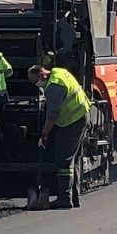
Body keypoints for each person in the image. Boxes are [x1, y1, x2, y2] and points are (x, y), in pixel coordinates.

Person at [30, 61, 92, 208]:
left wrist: (44, 134)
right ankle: (74, 198)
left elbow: (52, 115)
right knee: (74, 159)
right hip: (81, 116)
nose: (35, 84)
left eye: (35, 81)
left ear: (42, 74)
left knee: (63, 159)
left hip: (74, 121)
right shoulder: (58, 72)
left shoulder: (53, 87)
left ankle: (64, 199)